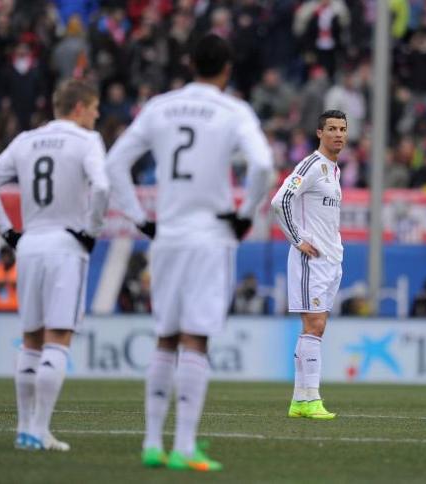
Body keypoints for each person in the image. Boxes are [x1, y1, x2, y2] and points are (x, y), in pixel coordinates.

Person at [106, 34, 273, 472]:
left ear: (189, 64)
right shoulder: (234, 110)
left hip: (168, 235)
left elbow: (114, 164)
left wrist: (141, 218)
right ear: (227, 69)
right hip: (209, 235)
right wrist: (245, 213)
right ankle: (183, 446)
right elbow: (261, 165)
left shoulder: (159, 106)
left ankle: (150, 443)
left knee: (165, 336)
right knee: (195, 339)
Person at [0, 79, 109, 452]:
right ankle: (39, 428)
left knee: (31, 338)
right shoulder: (87, 141)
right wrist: (91, 231)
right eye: (95, 108)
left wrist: (8, 233)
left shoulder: (25, 141)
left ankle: (26, 429)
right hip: (66, 244)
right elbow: (101, 187)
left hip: (29, 244)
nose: (97, 115)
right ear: (79, 106)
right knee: (58, 337)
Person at [270, 109, 348, 420]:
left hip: (330, 259)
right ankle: (309, 398)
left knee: (317, 328)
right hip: (310, 259)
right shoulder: (312, 165)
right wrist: (297, 239)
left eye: (342, 128)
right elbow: (281, 200)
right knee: (313, 326)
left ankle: (301, 401)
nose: (338, 134)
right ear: (319, 133)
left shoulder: (334, 169)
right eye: (331, 128)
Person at [0, 245, 18, 312]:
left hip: (14, 307)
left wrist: (12, 283)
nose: (4, 258)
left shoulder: (18, 267)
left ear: (11, 256)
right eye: (2, 256)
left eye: (6, 256)